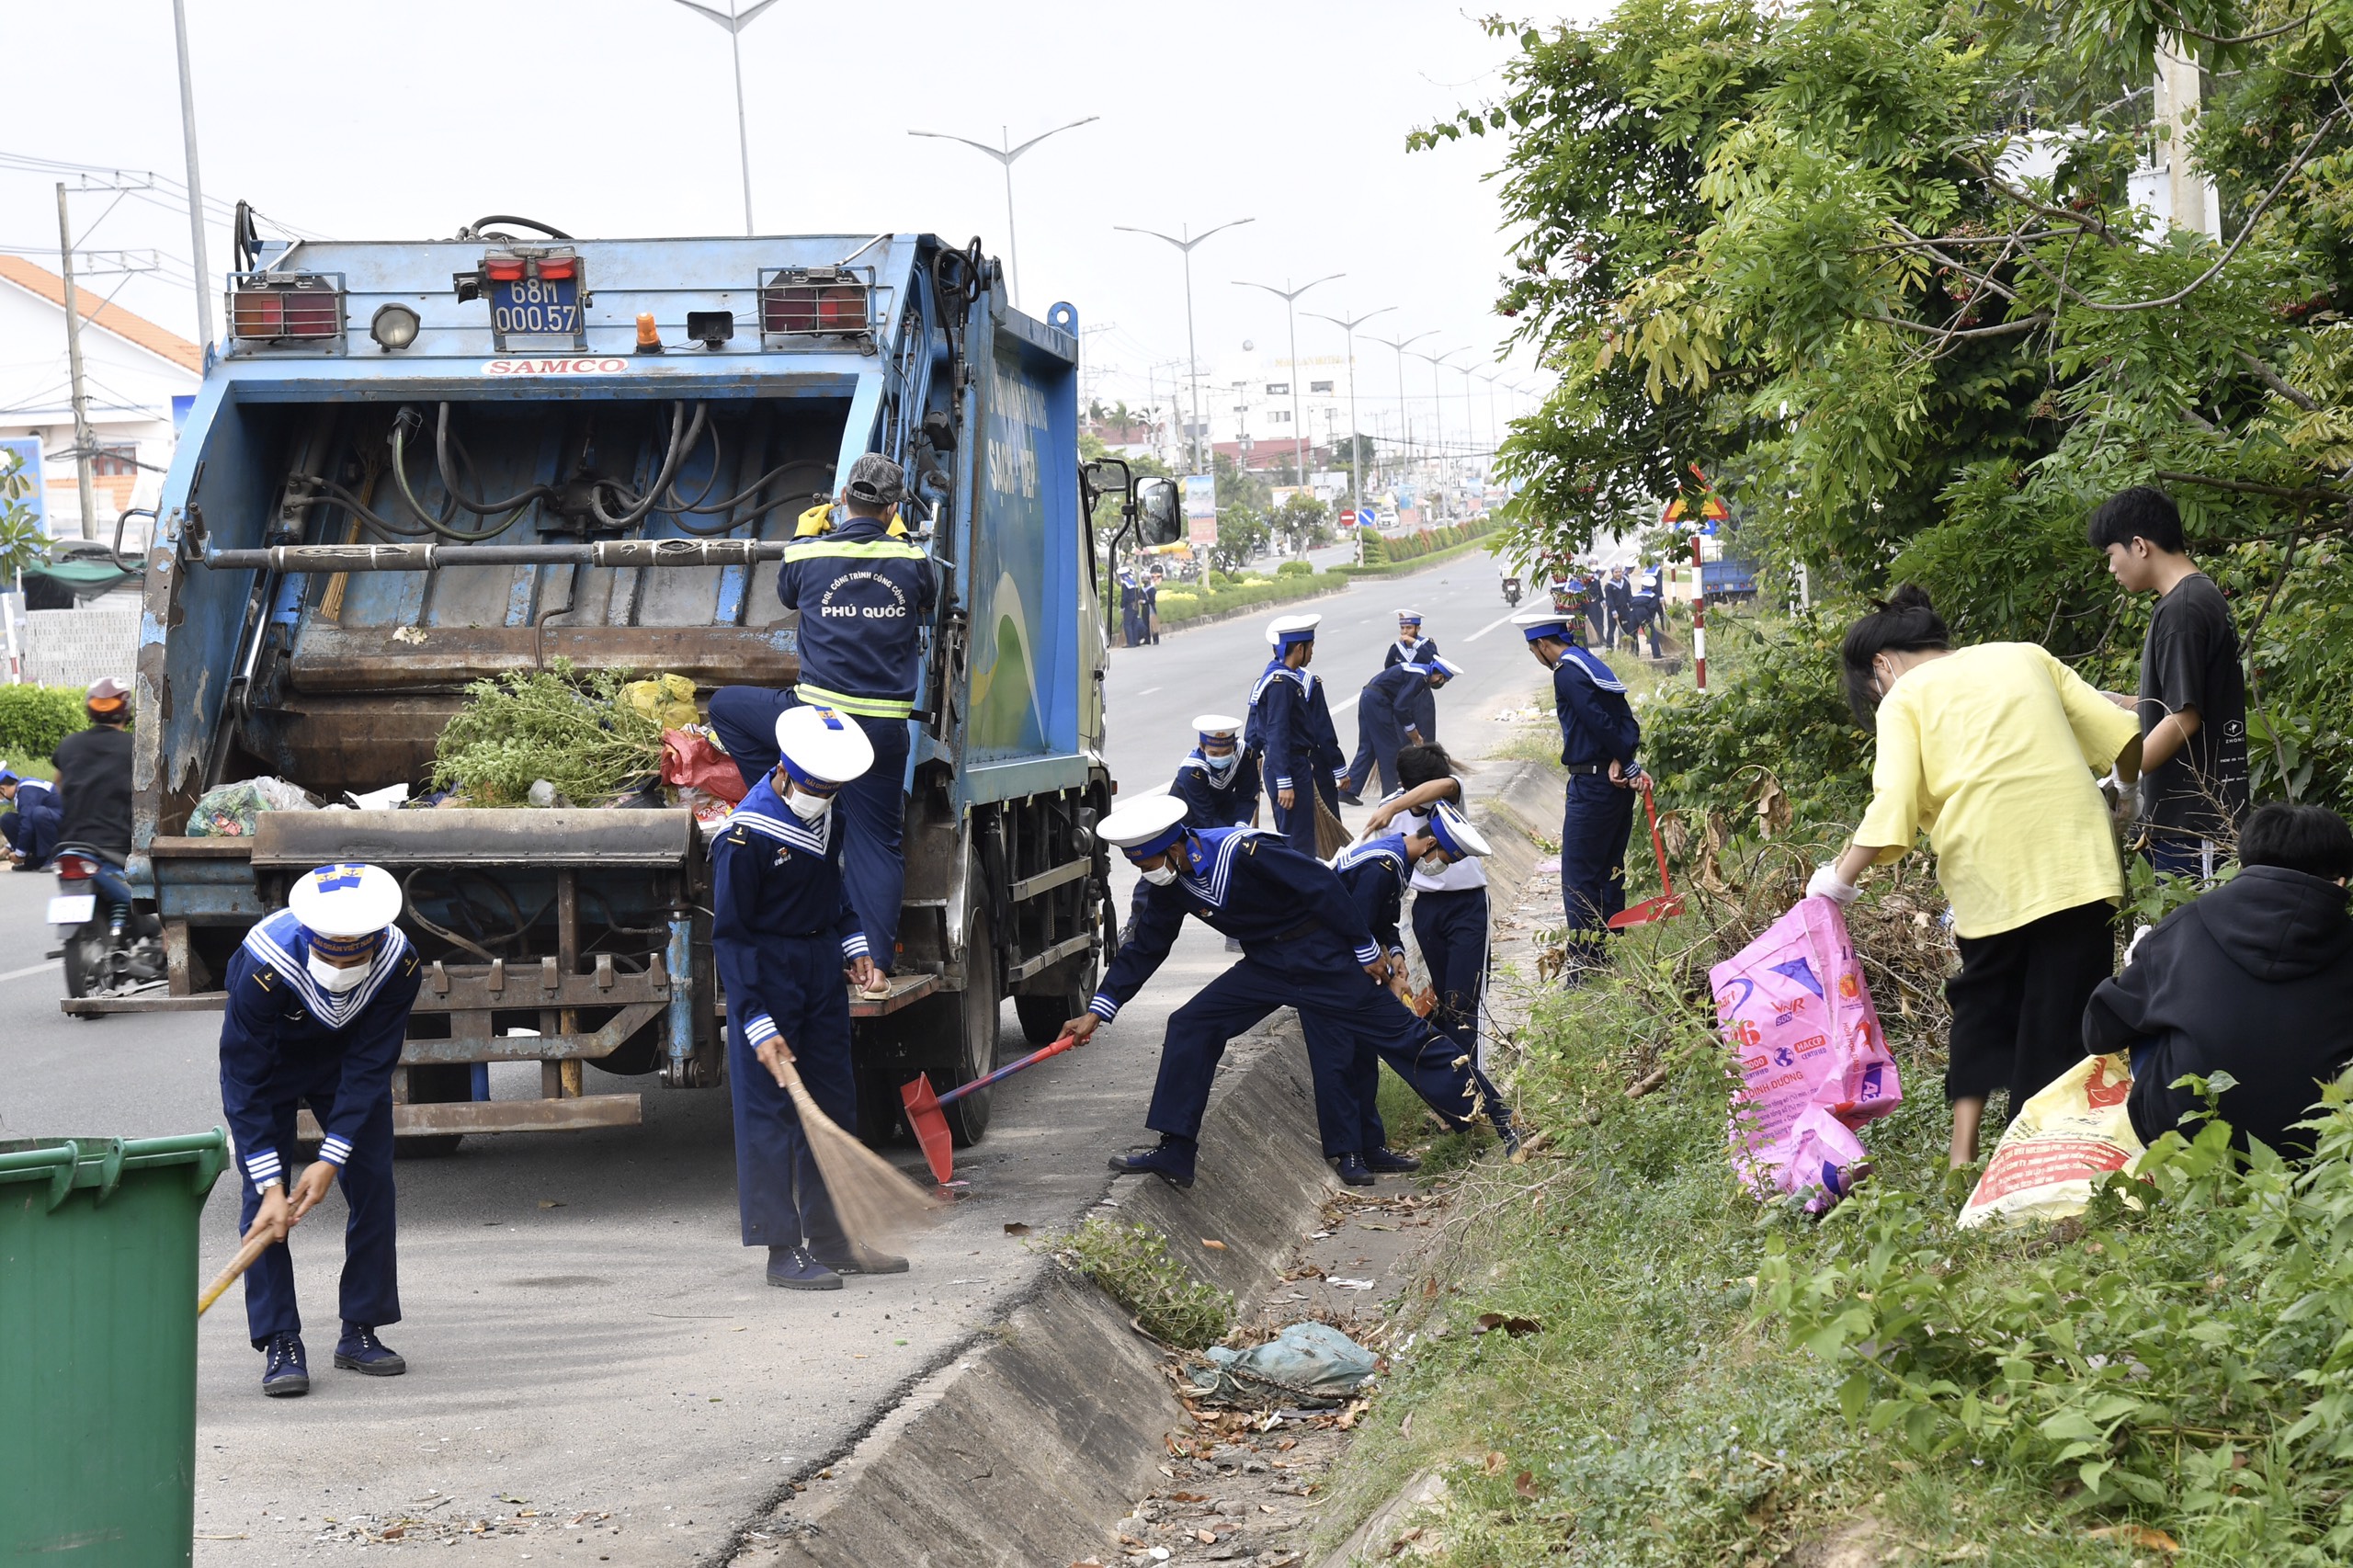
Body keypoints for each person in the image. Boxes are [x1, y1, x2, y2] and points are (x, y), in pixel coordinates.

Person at [1807, 585, 2143, 1167]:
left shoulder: (1903, 697)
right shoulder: (2025, 654)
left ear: (1881, 665)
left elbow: (1893, 805)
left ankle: (1974, 1158)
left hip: (1989, 868)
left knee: (1982, 1005)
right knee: (2062, 1011)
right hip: (2076, 857)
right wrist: (2128, 790)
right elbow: (2121, 733)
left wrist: (1837, 881)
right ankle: (2053, 1154)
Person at [1069, 796, 1477, 1187]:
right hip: (1267, 965)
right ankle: (1176, 1151)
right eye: (1137, 865)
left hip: (1320, 957)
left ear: (1175, 847)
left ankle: (1487, 1112)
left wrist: (1365, 947)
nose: (1147, 872)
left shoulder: (1243, 850)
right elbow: (1145, 948)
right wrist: (1100, 1010)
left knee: (1400, 1037)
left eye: (1149, 862)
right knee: (1190, 1024)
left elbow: (1321, 885)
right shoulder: (1170, 884)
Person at [709, 454, 935, 994]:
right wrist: (899, 544)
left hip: (816, 724)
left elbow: (787, 593)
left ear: (841, 499)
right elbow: (927, 605)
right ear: (894, 507)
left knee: (726, 707)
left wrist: (803, 533)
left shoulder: (811, 551)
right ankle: (875, 967)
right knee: (877, 844)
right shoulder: (911, 560)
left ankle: (790, 792)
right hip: (881, 730)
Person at [710, 704, 902, 1290]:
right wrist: (756, 1021)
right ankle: (779, 1248)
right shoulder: (743, 837)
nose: (825, 797)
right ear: (785, 772)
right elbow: (730, 938)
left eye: (834, 788)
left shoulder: (829, 818)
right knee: (768, 1115)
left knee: (835, 1103)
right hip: (765, 972)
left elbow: (836, 896)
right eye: (817, 787)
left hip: (819, 970)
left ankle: (834, 1238)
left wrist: (855, 948)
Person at [219, 862, 422, 1397]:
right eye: (333, 947)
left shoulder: (399, 964)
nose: (344, 957)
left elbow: (370, 1067)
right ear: (310, 933)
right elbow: (245, 1080)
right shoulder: (264, 964)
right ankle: (281, 1340)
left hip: (348, 1062)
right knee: (261, 1201)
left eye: (357, 949)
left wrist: (330, 1158)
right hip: (272, 1064)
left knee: (373, 1180)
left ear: (376, 939)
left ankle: (361, 1329)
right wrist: (271, 1183)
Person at [2085, 803, 2353, 1159]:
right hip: (2327, 1146)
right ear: (2341, 881)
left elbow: (2098, 1032)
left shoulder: (2183, 929)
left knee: (2154, 1019)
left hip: (2187, 1139)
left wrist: (2139, 963)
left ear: (2242, 865)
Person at [1316, 801, 1512, 1183]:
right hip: (1327, 968)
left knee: (1362, 1057)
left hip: (1353, 967)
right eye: (1446, 859)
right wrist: (1389, 976)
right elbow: (1354, 928)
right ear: (1429, 846)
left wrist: (1398, 956)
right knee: (1337, 1059)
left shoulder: (1396, 861)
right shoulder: (1381, 867)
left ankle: (1370, 1146)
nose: (1443, 868)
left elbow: (1382, 922)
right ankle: (1348, 1153)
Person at [2086, 486, 2248, 880]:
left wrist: (2122, 780)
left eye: (2111, 554)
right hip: (2182, 823)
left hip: (2195, 823)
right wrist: (2118, 702)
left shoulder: (2183, 610)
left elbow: (2184, 718)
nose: (2111, 568)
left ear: (2139, 545)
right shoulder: (2197, 597)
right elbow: (2177, 700)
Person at [1512, 609, 1641, 977]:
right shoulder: (1588, 661)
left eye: (1533, 651)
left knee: (1580, 876)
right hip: (1613, 784)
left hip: (1593, 786)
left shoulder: (1566, 673)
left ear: (1540, 645)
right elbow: (1624, 716)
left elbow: (1596, 720)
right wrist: (1624, 754)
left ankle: (1586, 963)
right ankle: (1610, 950)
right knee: (1609, 870)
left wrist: (1625, 761)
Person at [1365, 744, 1490, 1063]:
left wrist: (1395, 807)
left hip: (1468, 906)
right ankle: (1454, 1084)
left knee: (1464, 1001)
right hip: (1426, 909)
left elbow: (1446, 785)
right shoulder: (1388, 813)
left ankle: (1474, 1083)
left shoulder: (1448, 800)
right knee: (1440, 1003)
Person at [1246, 614, 1346, 858]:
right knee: (1299, 844)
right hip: (1290, 766)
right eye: (1311, 648)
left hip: (1285, 765)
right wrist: (1284, 781)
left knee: (1294, 838)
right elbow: (1277, 731)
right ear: (1300, 648)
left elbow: (1254, 732)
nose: (1312, 653)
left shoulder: (1272, 679)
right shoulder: (1282, 684)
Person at [51, 676, 137, 935]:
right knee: (166, 892)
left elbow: (59, 786)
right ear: (126, 710)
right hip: (117, 845)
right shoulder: (135, 747)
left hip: (71, 844)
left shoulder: (68, 744)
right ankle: (169, 945)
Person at [1340, 657, 1460, 804]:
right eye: (1444, 680)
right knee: (1391, 749)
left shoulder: (1419, 671)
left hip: (1368, 697)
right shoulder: (1420, 677)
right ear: (1440, 676)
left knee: (1368, 747)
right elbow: (1401, 707)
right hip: (1378, 702)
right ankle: (1391, 795)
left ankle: (1348, 790)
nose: (1441, 683)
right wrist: (1413, 733)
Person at [1381, 608, 1441, 745]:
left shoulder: (1427, 644)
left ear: (1417, 628)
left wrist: (1414, 643)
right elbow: (1388, 670)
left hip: (1421, 697)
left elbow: (1435, 664)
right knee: (1402, 741)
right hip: (1401, 698)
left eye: (1409, 628)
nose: (1404, 632)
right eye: (1402, 628)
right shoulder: (1396, 648)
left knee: (1426, 740)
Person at [0, 764, 61, 869]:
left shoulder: (26, 791)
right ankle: (36, 860)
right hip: (49, 824)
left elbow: (27, 826)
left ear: (2, 789)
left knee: (39, 813)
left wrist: (19, 854)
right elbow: (26, 822)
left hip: (62, 825)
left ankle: (55, 857)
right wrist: (8, 848)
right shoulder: (21, 791)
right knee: (7, 820)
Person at [1626, 563, 1665, 658]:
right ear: (1653, 587)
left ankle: (1634, 654)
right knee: (1652, 633)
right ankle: (1656, 654)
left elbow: (1631, 603)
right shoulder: (1653, 596)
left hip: (1633, 612)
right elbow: (1652, 607)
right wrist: (1649, 618)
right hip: (1643, 612)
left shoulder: (1637, 595)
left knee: (1633, 633)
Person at [1603, 567, 1632, 652]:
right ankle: (1610, 648)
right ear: (1613, 573)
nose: (1618, 574)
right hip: (1613, 611)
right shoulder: (1609, 585)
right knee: (1611, 630)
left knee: (1625, 630)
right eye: (1616, 572)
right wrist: (1613, 611)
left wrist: (1632, 605)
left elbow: (1629, 596)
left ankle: (1624, 648)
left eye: (1619, 572)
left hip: (1624, 610)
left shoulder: (1626, 583)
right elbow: (1609, 599)